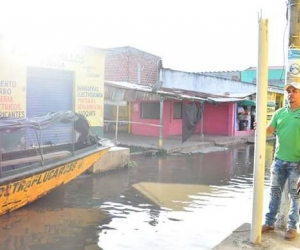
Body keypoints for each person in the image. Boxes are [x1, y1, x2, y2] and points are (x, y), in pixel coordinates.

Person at [261, 82, 300, 240]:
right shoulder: (279, 113)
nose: (290, 94)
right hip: (279, 161)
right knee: (274, 193)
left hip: (296, 164)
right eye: (289, 91)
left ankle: (292, 227)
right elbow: (269, 131)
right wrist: (259, 128)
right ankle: (269, 222)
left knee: (295, 196)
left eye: (294, 91)